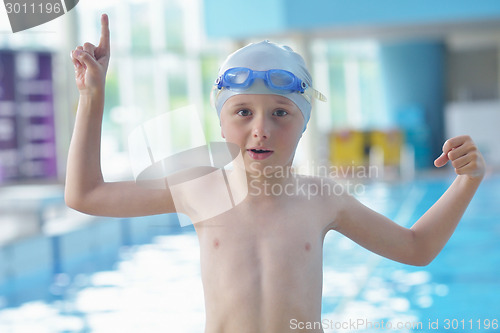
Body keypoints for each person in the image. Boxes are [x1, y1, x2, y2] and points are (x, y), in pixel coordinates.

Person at [66, 14, 486, 333]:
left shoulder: (322, 198)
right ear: (221, 120)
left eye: (281, 113)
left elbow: (416, 249)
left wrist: (467, 181)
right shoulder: (200, 189)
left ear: (304, 124)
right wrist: (91, 97)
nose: (261, 129)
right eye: (243, 112)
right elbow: (85, 195)